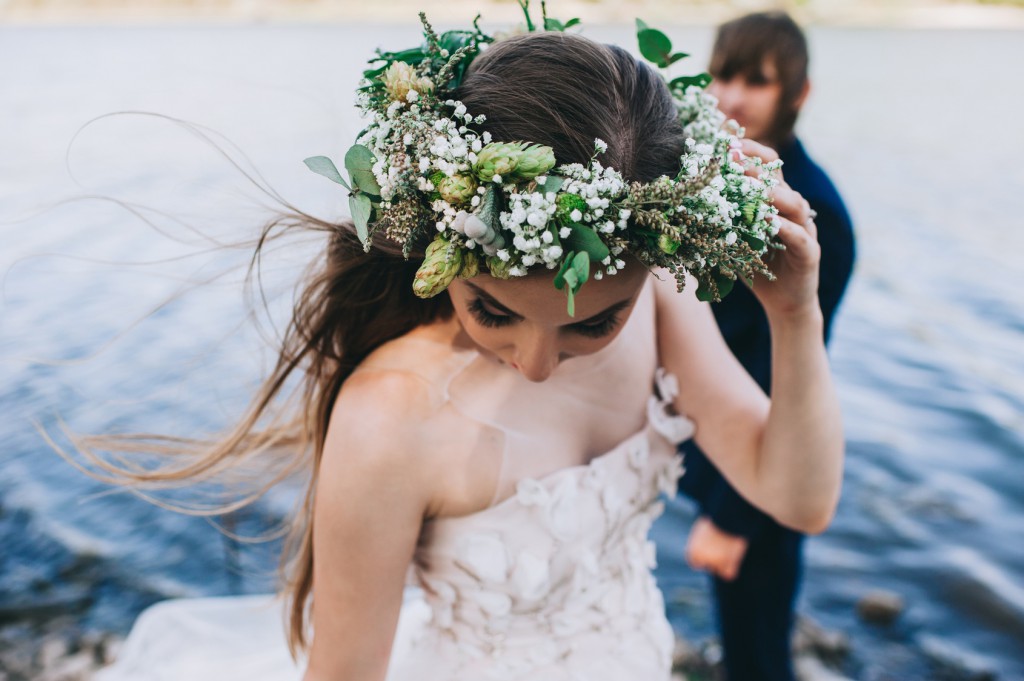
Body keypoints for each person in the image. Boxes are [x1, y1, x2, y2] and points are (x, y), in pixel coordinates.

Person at [88, 11, 843, 681]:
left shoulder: (664, 301)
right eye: (493, 308)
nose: (537, 363)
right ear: (444, 240)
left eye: (594, 323)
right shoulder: (388, 419)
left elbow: (801, 500)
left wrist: (794, 316)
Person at [676, 11, 856, 681]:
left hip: (773, 469)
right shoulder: (712, 175)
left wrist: (732, 519)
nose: (730, 96)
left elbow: (789, 375)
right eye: (722, 74)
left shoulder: (818, 217)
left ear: (798, 94)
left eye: (756, 80)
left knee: (757, 648)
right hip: (723, 449)